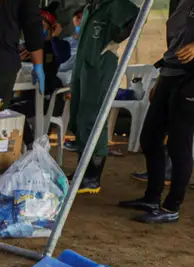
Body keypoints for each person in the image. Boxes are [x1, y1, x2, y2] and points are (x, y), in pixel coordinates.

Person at [119, 0, 194, 224]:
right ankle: (152, 197)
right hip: (171, 72)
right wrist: (161, 78)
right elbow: (175, 41)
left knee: (179, 144)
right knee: (150, 138)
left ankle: (171, 206)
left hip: (190, 78)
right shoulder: (178, 2)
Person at [68, 0, 140, 194]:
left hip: (100, 67)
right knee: (81, 118)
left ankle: (92, 177)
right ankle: (81, 173)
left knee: (94, 118)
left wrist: (117, 39)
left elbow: (137, 17)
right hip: (84, 68)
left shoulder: (115, 4)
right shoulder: (92, 7)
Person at [11, 6, 72, 148]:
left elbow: (62, 56)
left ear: (52, 28)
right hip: (28, 97)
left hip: (48, 99)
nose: (37, 31)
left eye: (42, 27)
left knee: (14, 112)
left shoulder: (59, 46)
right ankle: (26, 145)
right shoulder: (26, 48)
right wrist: (16, 59)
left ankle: (32, 146)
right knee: (5, 107)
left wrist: (55, 38)